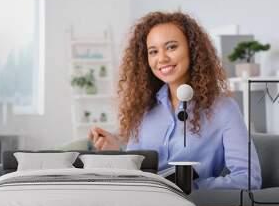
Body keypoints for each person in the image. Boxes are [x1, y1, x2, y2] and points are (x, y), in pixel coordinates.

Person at [88, 11, 261, 190]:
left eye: (171, 47)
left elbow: (248, 179)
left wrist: (188, 188)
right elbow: (137, 173)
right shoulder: (142, 110)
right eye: (153, 51)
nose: (161, 58)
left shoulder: (223, 109)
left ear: (192, 49)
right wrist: (117, 152)